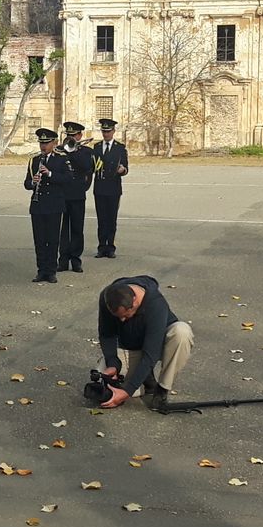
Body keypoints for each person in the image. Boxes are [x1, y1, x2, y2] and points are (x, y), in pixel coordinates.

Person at [95, 275, 194, 410]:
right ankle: (146, 380)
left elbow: (151, 353)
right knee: (103, 378)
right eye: (118, 317)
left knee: (182, 332)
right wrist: (113, 363)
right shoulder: (107, 297)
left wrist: (127, 391)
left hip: (159, 347)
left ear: (135, 301)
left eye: (125, 315)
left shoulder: (156, 305)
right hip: (132, 349)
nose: (122, 320)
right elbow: (107, 335)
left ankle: (162, 389)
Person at [23, 127, 74, 283]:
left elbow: (68, 178)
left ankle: (51, 271)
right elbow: (26, 183)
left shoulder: (61, 159)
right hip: (38, 205)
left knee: (52, 239)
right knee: (39, 239)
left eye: (46, 143)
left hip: (54, 204)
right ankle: (41, 270)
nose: (43, 146)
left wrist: (50, 174)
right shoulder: (35, 160)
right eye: (41, 143)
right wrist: (33, 182)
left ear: (54, 143)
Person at [57, 122, 94, 274]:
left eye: (74, 135)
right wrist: (65, 150)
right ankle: (63, 260)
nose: (70, 137)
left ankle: (76, 260)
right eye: (68, 135)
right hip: (62, 194)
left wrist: (73, 151)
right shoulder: (59, 150)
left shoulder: (86, 151)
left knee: (77, 229)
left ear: (80, 136)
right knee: (63, 230)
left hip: (78, 194)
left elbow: (86, 167)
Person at [90, 118, 130, 259]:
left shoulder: (120, 148)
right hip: (100, 187)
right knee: (101, 219)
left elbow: (126, 167)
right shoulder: (96, 147)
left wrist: (122, 170)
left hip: (113, 187)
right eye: (104, 131)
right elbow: (92, 166)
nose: (106, 134)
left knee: (111, 219)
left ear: (113, 131)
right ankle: (101, 247)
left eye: (108, 131)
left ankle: (110, 247)